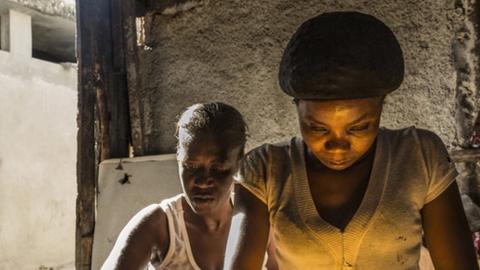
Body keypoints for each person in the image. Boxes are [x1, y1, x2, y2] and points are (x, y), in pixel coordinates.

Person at [225, 12, 479, 269]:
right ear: (296, 108)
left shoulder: (420, 156)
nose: (337, 146)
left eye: (358, 127)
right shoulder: (265, 170)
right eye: (317, 128)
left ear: (382, 106)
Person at [102, 102, 264, 270]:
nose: (202, 182)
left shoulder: (257, 222)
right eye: (191, 167)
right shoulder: (159, 226)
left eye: (217, 169)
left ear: (239, 163)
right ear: (179, 160)